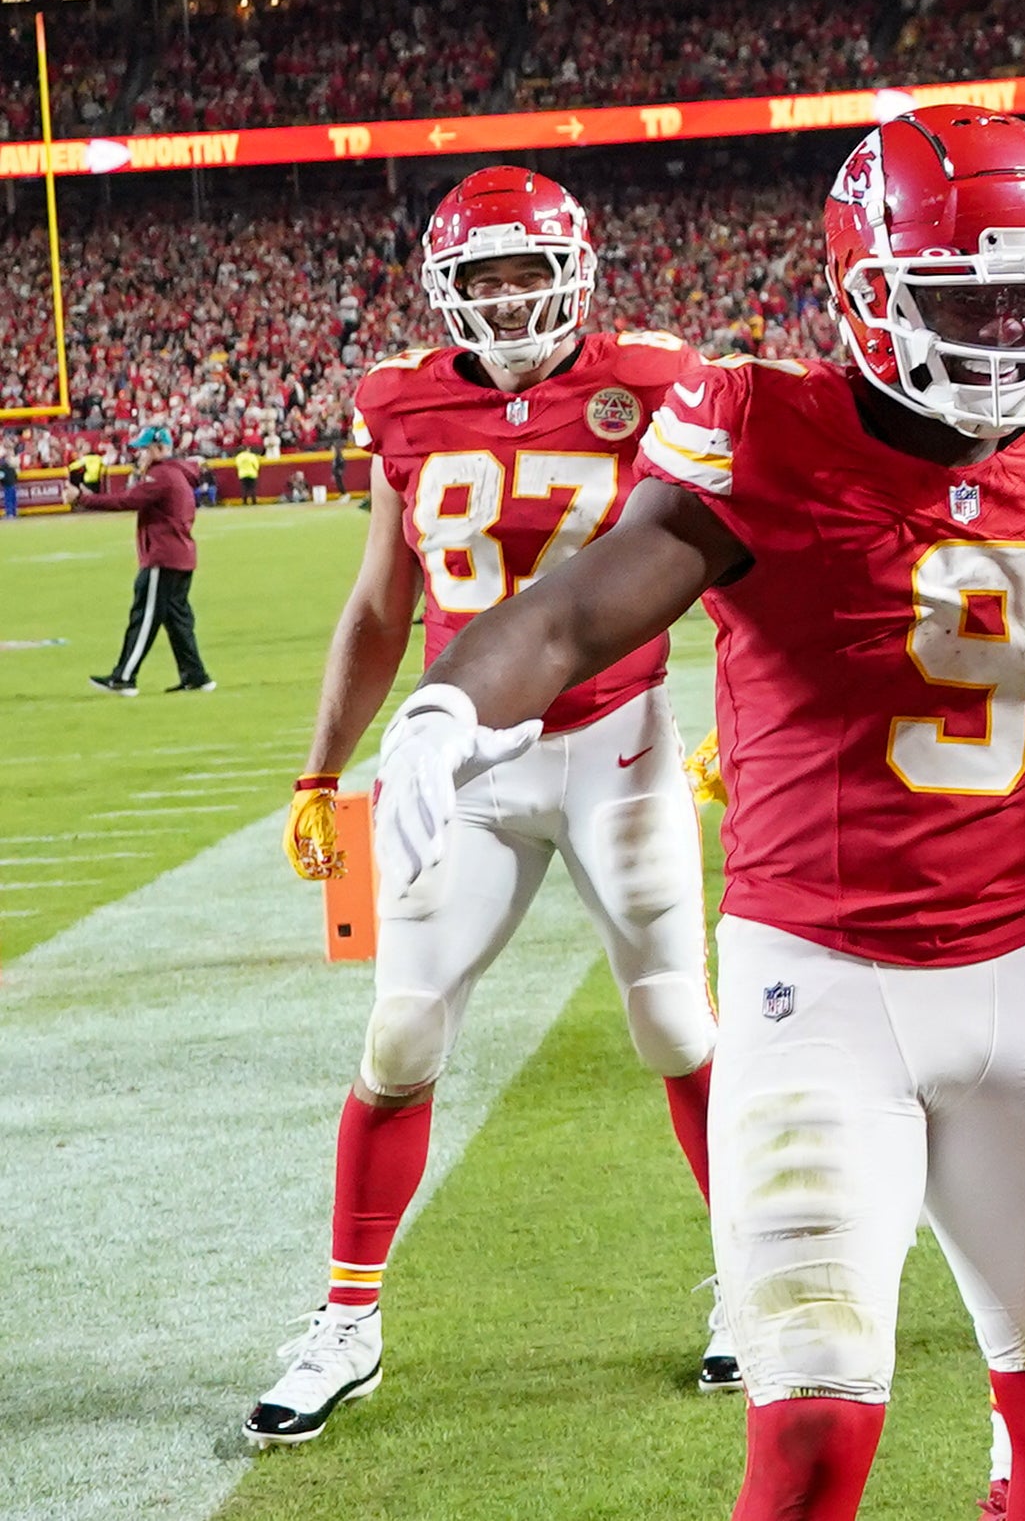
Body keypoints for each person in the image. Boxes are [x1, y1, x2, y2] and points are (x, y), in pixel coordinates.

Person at [369, 107, 1025, 1521]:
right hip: (817, 987)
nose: (1009, 336)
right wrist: (449, 705)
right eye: (964, 300)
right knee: (808, 1443)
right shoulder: (763, 428)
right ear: (866, 293)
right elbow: (577, 609)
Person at [246, 167, 727, 1449]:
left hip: (617, 741)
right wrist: (318, 770)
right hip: (452, 764)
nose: (510, 300)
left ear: (576, 274)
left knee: (678, 1022)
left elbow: (731, 557)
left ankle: (750, 1275)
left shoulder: (656, 383)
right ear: (444, 289)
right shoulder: (401, 401)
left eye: (530, 273)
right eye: (486, 278)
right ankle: (349, 1321)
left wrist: (740, 719)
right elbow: (379, 604)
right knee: (401, 1032)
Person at [75, 436, 213, 696]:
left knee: (144, 618)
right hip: (179, 556)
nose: (139, 456)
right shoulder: (177, 473)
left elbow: (127, 500)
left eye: (144, 450)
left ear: (159, 449)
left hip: (163, 557)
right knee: (178, 621)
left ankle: (124, 677)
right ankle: (196, 675)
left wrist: (83, 499)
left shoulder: (161, 475)